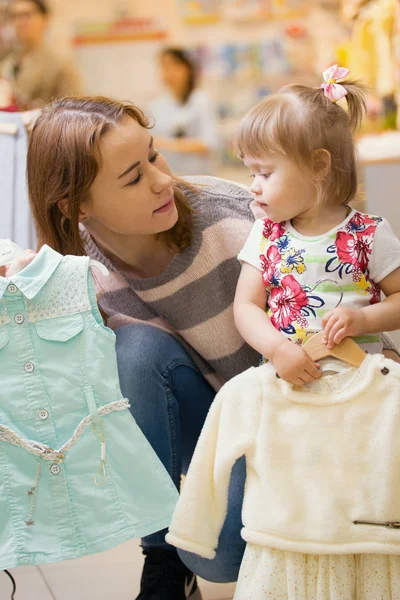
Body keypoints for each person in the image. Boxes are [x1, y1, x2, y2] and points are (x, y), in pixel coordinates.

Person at [12, 93, 399, 600]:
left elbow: (354, 305)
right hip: (225, 426)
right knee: (134, 350)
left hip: (302, 422)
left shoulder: (242, 219)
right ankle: (163, 558)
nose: (161, 179)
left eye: (153, 154)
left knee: (258, 547)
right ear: (76, 205)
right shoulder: (78, 274)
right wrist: (33, 299)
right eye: (133, 177)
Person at [230, 67, 400, 596]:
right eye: (248, 171)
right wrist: (276, 348)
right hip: (291, 385)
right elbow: (245, 306)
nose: (252, 186)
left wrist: (366, 317)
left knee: (361, 481)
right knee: (298, 486)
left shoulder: (369, 234)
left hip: (364, 389)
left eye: (264, 172)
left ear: (319, 167)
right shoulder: (267, 235)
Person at [149, 47, 218, 176]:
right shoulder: (157, 104)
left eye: (173, 65)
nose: (168, 73)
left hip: (198, 177)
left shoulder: (200, 100)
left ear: (187, 68)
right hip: (169, 177)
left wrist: (166, 144)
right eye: (163, 66)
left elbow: (208, 143)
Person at [0, 0, 81, 110]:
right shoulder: (7, 61)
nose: (19, 22)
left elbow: (74, 111)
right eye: (14, 16)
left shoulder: (60, 64)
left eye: (26, 15)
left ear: (45, 19)